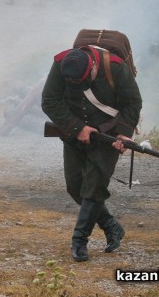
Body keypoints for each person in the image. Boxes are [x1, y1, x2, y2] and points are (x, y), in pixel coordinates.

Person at [41, 45, 142, 261]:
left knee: (94, 187)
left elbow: (132, 102)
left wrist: (124, 133)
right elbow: (49, 100)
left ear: (94, 65)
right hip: (73, 134)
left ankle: (79, 241)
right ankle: (111, 225)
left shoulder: (115, 67)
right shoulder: (61, 64)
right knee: (75, 186)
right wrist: (77, 128)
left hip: (108, 134)